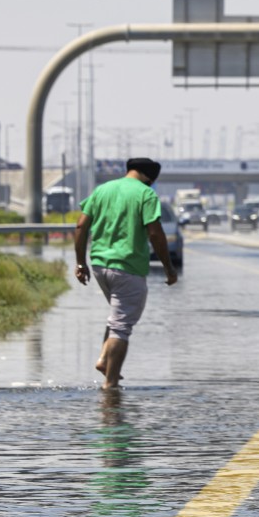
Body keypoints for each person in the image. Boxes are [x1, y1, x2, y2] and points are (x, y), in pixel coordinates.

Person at [73, 157, 178, 389]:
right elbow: (155, 233)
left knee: (116, 317)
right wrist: (169, 268)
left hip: (100, 266)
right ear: (149, 178)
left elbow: (80, 226)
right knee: (121, 327)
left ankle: (103, 359)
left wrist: (81, 263)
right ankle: (111, 384)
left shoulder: (102, 190)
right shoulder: (146, 194)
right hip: (128, 268)